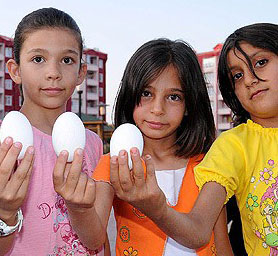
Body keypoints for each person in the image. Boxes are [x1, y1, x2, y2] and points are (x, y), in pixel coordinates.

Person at [108, 23, 278, 256]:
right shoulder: (232, 147)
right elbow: (199, 231)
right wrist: (157, 208)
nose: (250, 80)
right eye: (237, 75)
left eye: (260, 62)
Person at [82, 38, 233, 256]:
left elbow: (221, 242)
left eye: (173, 97)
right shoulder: (115, 164)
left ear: (189, 104)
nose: (158, 109)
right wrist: (78, 206)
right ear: (130, 94)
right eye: (146, 93)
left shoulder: (208, 165)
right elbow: (94, 238)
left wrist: (155, 207)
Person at [0, 7, 104, 255]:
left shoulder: (92, 143)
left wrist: (80, 208)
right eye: (38, 59)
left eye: (67, 60)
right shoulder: (3, 139)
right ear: (15, 70)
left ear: (81, 73)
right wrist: (3, 210)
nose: (53, 73)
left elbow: (96, 240)